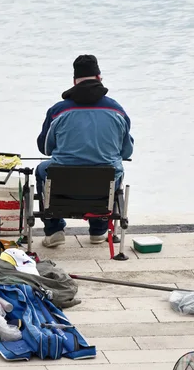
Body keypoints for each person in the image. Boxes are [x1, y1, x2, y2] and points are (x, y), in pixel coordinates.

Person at [36, 54, 134, 247]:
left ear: (74, 81)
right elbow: (126, 152)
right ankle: (98, 230)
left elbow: (45, 148)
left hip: (63, 183)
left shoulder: (58, 111)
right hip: (103, 186)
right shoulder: (118, 111)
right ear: (99, 78)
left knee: (42, 169)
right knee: (113, 169)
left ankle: (54, 230)